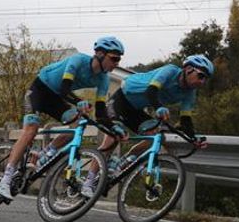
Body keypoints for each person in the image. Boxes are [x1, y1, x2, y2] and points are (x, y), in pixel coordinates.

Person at [0, 37, 124, 200]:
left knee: (77, 127)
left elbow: (100, 113)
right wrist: (78, 102)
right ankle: (5, 179)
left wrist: (113, 127)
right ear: (99, 54)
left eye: (119, 59)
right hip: (39, 91)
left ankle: (45, 154)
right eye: (114, 58)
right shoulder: (78, 61)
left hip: (55, 99)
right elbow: (64, 89)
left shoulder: (103, 79)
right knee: (31, 130)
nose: (116, 63)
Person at [80, 54, 212, 198]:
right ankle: (89, 180)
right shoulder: (170, 71)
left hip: (136, 110)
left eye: (205, 78)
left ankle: (122, 163)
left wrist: (194, 138)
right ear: (188, 69)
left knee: (157, 136)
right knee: (112, 138)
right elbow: (151, 91)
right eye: (201, 75)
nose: (202, 81)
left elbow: (186, 120)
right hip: (121, 100)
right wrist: (159, 108)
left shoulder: (190, 93)